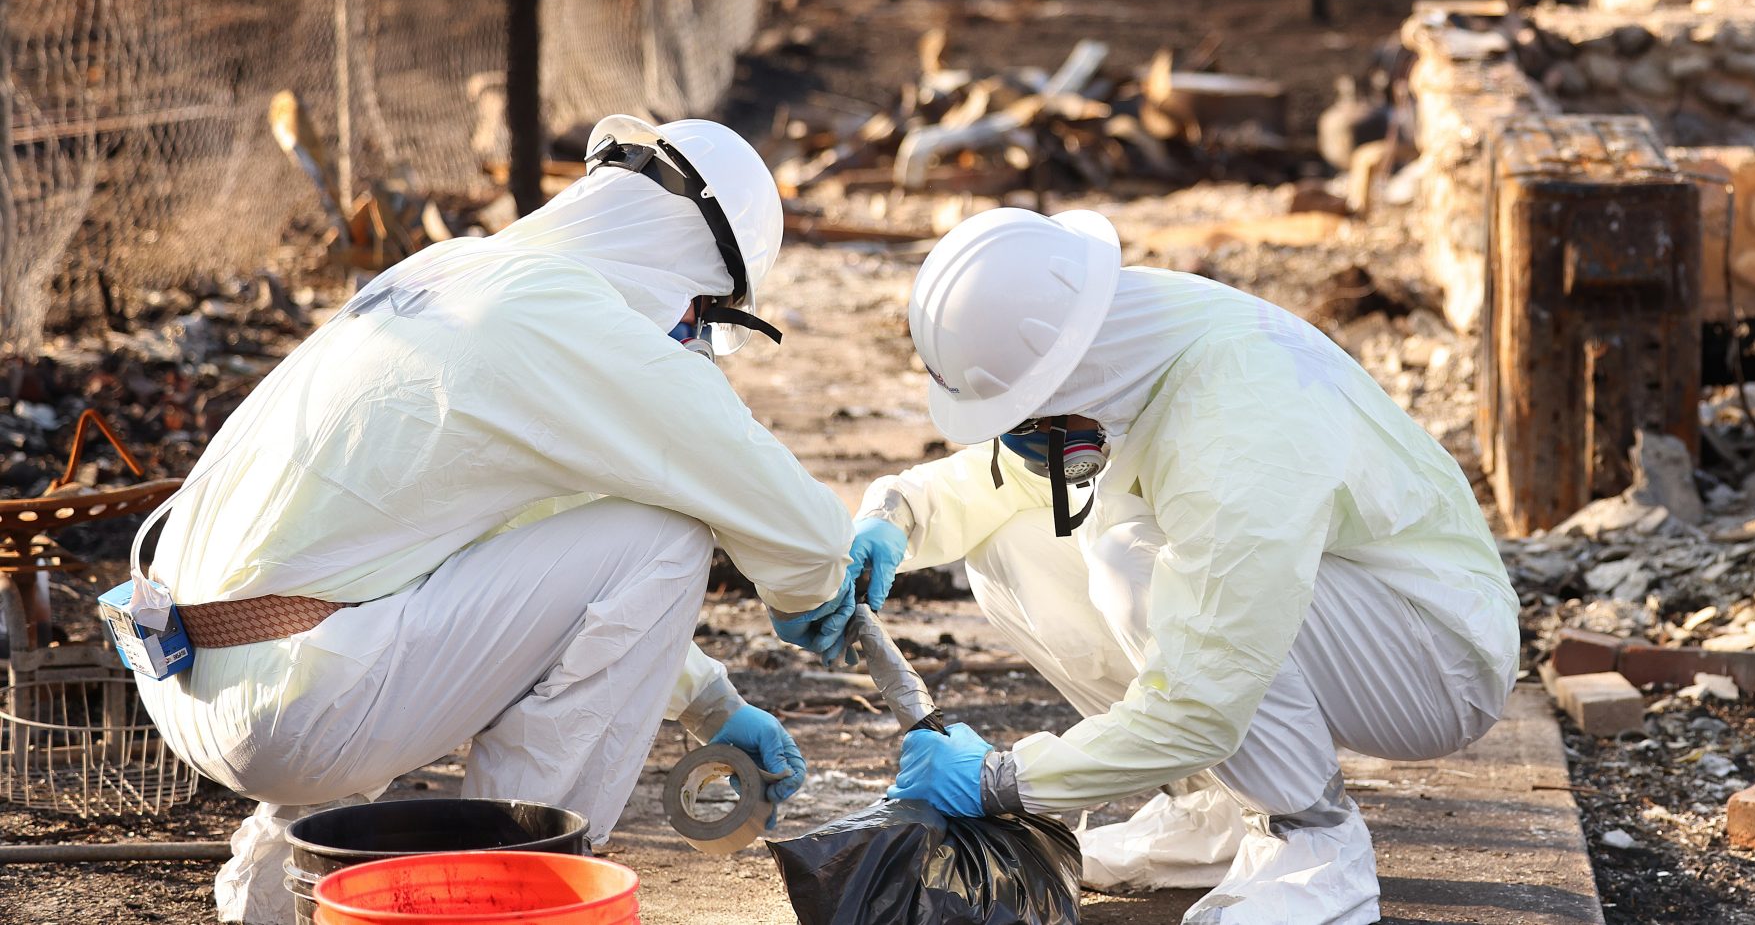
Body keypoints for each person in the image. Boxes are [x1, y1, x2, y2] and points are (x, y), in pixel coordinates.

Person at [132, 115, 866, 924]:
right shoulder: (568, 320)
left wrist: (710, 702)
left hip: (192, 678)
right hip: (295, 709)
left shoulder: (458, 271)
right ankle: (512, 889)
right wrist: (815, 590)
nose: (686, 336)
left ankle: (286, 889)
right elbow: (799, 529)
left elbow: (525, 578)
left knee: (394, 558)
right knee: (668, 536)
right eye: (698, 317)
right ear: (692, 270)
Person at [855, 207, 1518, 925]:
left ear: (1058, 379)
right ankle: (1209, 811)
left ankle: (1311, 842)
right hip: (1348, 606)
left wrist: (1005, 781)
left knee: (1130, 559)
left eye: (1018, 419)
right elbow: (1006, 487)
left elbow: (1205, 695)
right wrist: (896, 515)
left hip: (1436, 654)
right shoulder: (1119, 344)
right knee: (1012, 539)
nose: (1015, 442)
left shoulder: (1236, 425)